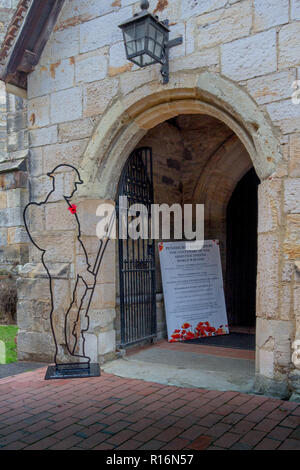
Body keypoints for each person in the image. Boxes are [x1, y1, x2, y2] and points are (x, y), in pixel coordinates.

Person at [24, 164, 95, 365]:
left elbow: (76, 238)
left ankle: (68, 348)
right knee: (61, 308)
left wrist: (85, 268)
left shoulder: (67, 206)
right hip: (62, 269)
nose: (74, 187)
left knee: (71, 307)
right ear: (63, 180)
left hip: (74, 268)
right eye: (73, 182)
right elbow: (60, 244)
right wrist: (83, 269)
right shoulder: (52, 207)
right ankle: (61, 351)